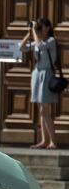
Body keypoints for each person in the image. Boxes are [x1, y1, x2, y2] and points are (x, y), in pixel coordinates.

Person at [22, 17, 60, 149]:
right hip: (37, 74)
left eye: (41, 26)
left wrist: (33, 30)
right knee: (40, 110)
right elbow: (21, 48)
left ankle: (53, 141)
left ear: (48, 28)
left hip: (47, 74)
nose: (39, 29)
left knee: (45, 110)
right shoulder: (37, 41)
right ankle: (45, 140)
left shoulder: (51, 41)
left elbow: (39, 45)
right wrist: (29, 33)